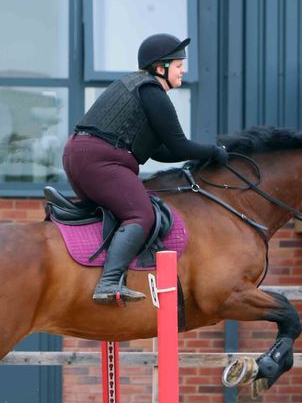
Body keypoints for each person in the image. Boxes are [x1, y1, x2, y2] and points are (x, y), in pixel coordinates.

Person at [63, 33, 229, 305]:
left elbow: (159, 151)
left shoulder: (134, 87)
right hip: (100, 160)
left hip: (80, 155)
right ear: (160, 67)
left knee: (124, 210)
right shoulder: (151, 91)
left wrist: (196, 156)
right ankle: (108, 283)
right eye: (178, 65)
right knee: (140, 214)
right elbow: (178, 145)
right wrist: (214, 152)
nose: (183, 70)